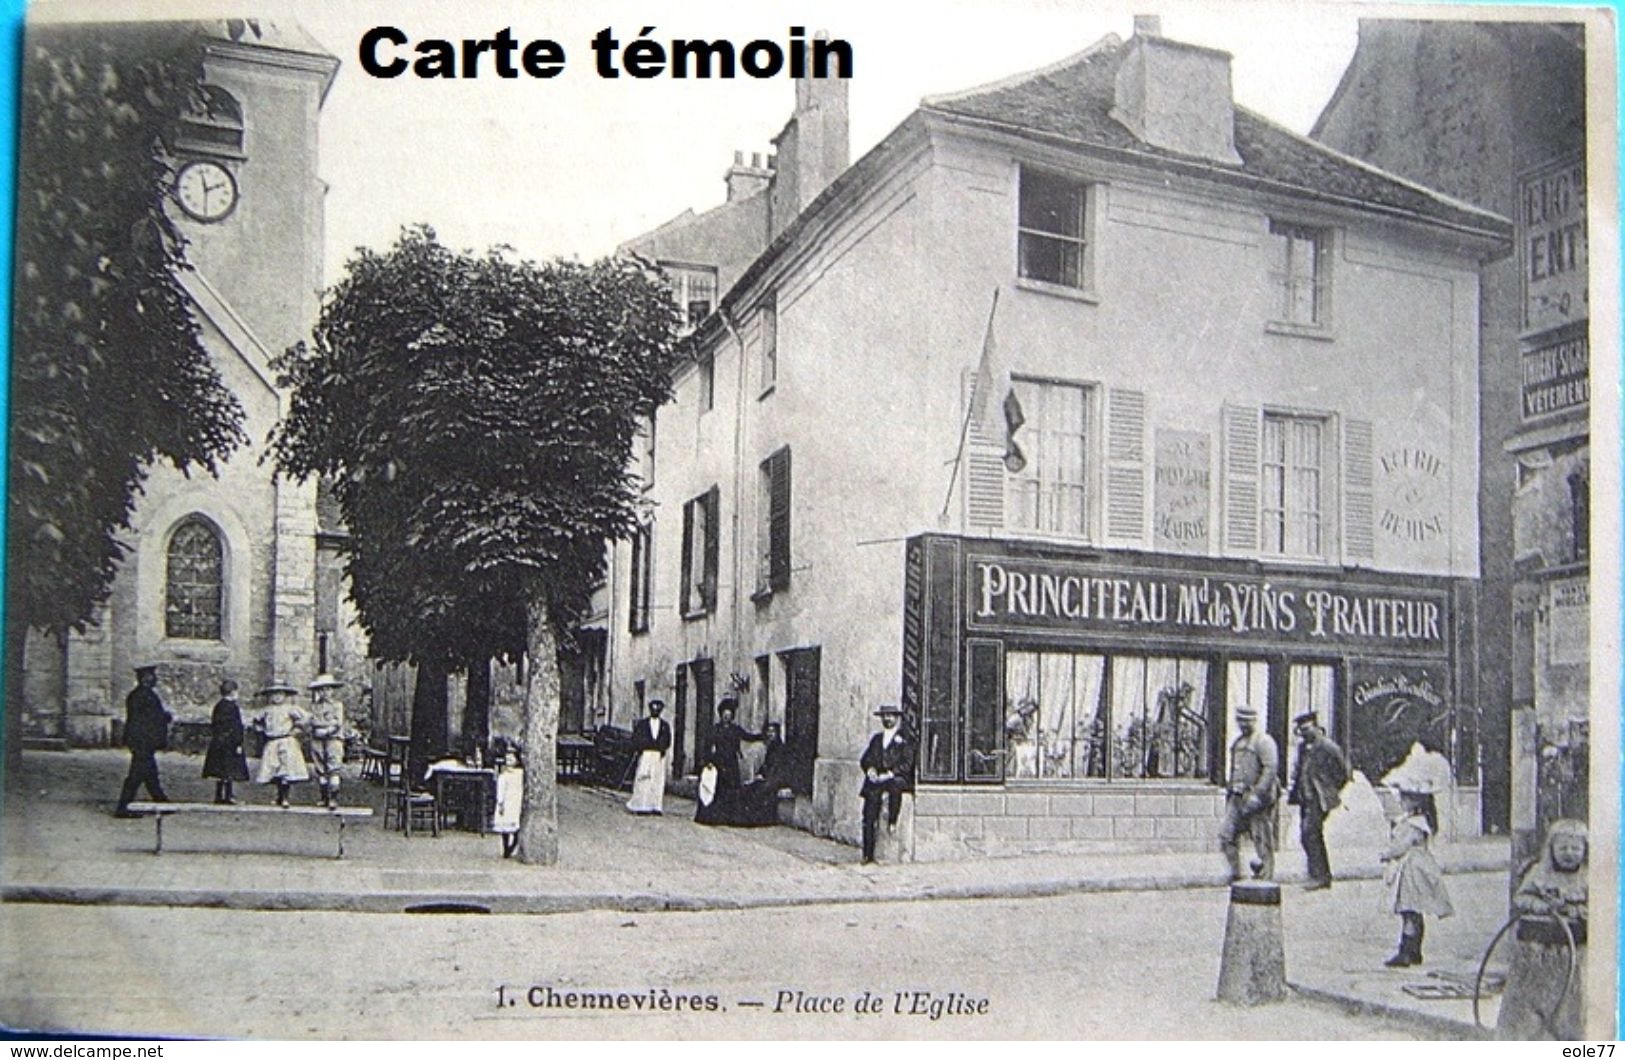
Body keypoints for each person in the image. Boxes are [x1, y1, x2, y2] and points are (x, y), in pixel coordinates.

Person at [1498, 819, 1588, 1039]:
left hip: (1572, 952)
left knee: (1569, 1001)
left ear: (1585, 849)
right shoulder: (1540, 872)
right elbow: (1521, 897)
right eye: (1562, 847)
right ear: (1551, 848)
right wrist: (1539, 905)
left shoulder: (1589, 877)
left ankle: (1568, 1038)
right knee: (1530, 1000)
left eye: (1575, 848)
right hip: (1536, 950)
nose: (1569, 853)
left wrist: (1579, 910)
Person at [1378, 783, 1454, 967]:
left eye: (1405, 798)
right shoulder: (1418, 821)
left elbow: (1401, 845)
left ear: (1416, 801)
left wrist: (1386, 854)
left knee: (1409, 910)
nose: (1401, 801)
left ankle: (1406, 952)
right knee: (1414, 910)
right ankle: (1415, 951)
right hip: (1419, 867)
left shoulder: (1414, 824)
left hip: (1411, 870)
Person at [1288, 711, 1348, 890]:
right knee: (1308, 836)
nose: (1304, 733)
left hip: (1319, 799)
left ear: (1315, 726)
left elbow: (1343, 773)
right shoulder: (1303, 747)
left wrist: (1330, 789)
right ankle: (1319, 874)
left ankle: (1320, 877)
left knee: (1310, 833)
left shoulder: (1328, 746)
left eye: (1306, 729)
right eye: (1301, 730)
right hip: (1305, 798)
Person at [1218, 704, 1279, 881]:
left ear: (1254, 720)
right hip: (1236, 797)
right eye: (1240, 721)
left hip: (1256, 799)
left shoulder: (1264, 741)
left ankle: (1266, 878)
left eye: (1247, 721)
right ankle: (1236, 874)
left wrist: (1258, 794)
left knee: (1262, 840)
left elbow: (1270, 769)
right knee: (1226, 835)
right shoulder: (1237, 743)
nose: (1244, 724)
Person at [859, 705, 915, 864]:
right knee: (869, 814)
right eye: (884, 716)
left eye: (890, 716)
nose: (887, 719)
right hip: (878, 781)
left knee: (895, 786)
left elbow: (907, 763)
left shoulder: (904, 739)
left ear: (897, 718)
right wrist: (870, 769)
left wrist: (890, 773)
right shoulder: (877, 739)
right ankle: (867, 853)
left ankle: (892, 820)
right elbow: (865, 758)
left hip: (895, 779)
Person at [114, 664, 172, 818]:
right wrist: (165, 717)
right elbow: (149, 719)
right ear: (146, 678)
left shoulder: (137, 695)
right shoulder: (145, 696)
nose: (155, 679)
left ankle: (162, 802)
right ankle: (123, 807)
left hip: (140, 740)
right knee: (136, 775)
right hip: (143, 741)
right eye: (152, 676)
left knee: (149, 773)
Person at [694, 698, 762, 825]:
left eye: (729, 715)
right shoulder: (715, 729)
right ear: (721, 715)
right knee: (718, 789)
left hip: (731, 763)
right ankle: (714, 817)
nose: (726, 717)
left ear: (732, 717)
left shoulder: (735, 730)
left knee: (731, 790)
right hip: (718, 762)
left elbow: (748, 736)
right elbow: (707, 746)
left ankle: (729, 817)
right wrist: (708, 760)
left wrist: (762, 736)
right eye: (724, 715)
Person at [254, 680, 310, 807]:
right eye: (274, 694)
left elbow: (305, 718)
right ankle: (279, 796)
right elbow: (256, 720)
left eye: (280, 694)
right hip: (272, 741)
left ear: (285, 695)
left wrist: (296, 730)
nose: (277, 697)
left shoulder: (290, 708)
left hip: (286, 741)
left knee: (286, 769)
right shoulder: (267, 710)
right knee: (274, 768)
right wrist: (261, 729)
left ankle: (285, 797)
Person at [202, 678, 250, 805]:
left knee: (220, 771)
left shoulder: (218, 706)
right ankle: (228, 796)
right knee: (229, 771)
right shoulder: (233, 707)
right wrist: (238, 743)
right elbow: (236, 727)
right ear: (233, 692)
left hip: (219, 742)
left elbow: (215, 725)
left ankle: (219, 795)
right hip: (230, 744)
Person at [737, 721, 793, 826]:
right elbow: (765, 765)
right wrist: (759, 774)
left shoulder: (781, 748)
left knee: (761, 790)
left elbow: (779, 768)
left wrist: (766, 778)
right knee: (749, 787)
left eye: (773, 731)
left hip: (778, 778)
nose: (770, 734)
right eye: (769, 731)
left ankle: (761, 820)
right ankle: (748, 819)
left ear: (777, 733)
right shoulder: (771, 748)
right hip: (769, 777)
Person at [306, 674, 346, 808]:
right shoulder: (314, 706)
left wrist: (326, 730)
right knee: (320, 767)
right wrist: (321, 726)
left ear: (332, 690)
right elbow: (312, 720)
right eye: (322, 690)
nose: (325, 692)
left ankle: (333, 798)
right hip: (317, 739)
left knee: (333, 766)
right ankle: (324, 797)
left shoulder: (337, 705)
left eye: (328, 689)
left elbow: (338, 722)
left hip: (333, 738)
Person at [625, 699, 672, 816]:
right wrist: (642, 747)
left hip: (658, 756)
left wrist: (661, 748)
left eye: (658, 709)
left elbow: (667, 740)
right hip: (646, 754)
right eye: (653, 708)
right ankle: (640, 805)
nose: (655, 711)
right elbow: (636, 738)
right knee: (643, 778)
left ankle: (655, 806)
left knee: (657, 781)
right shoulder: (643, 724)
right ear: (650, 709)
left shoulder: (665, 726)